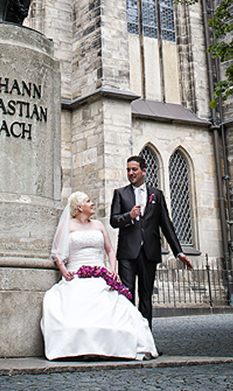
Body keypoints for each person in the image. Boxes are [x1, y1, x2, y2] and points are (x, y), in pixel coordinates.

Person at [41, 191, 158, 360]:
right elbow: (57, 253)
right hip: (77, 274)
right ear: (79, 207)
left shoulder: (98, 225)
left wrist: (113, 272)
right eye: (88, 201)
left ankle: (111, 348)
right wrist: (64, 272)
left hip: (100, 275)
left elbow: (110, 250)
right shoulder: (68, 226)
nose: (92, 204)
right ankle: (82, 348)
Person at [110, 153, 193, 327]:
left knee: (146, 296)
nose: (131, 173)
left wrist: (178, 252)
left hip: (149, 252)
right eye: (128, 170)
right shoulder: (120, 194)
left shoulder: (157, 194)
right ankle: (128, 336)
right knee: (127, 294)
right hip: (127, 252)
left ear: (144, 171)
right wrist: (129, 216)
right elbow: (113, 221)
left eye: (134, 170)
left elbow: (166, 225)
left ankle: (145, 340)